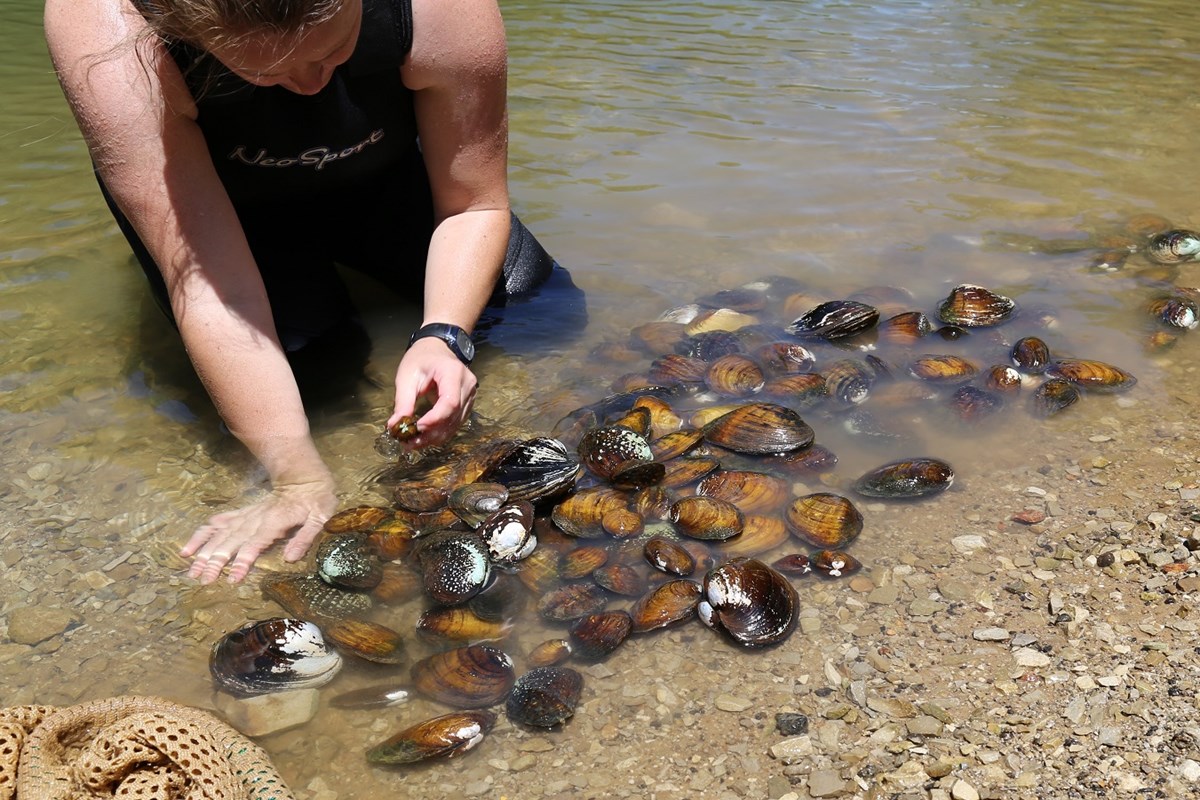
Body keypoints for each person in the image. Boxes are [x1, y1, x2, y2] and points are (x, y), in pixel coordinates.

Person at [44, 0, 584, 584]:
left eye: (332, 51)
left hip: (383, 175)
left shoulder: (439, 8)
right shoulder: (107, 30)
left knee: (542, 315)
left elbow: (473, 203)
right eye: (263, 71)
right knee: (320, 380)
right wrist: (295, 477)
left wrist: (443, 335)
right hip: (233, 211)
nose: (306, 85)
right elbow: (207, 288)